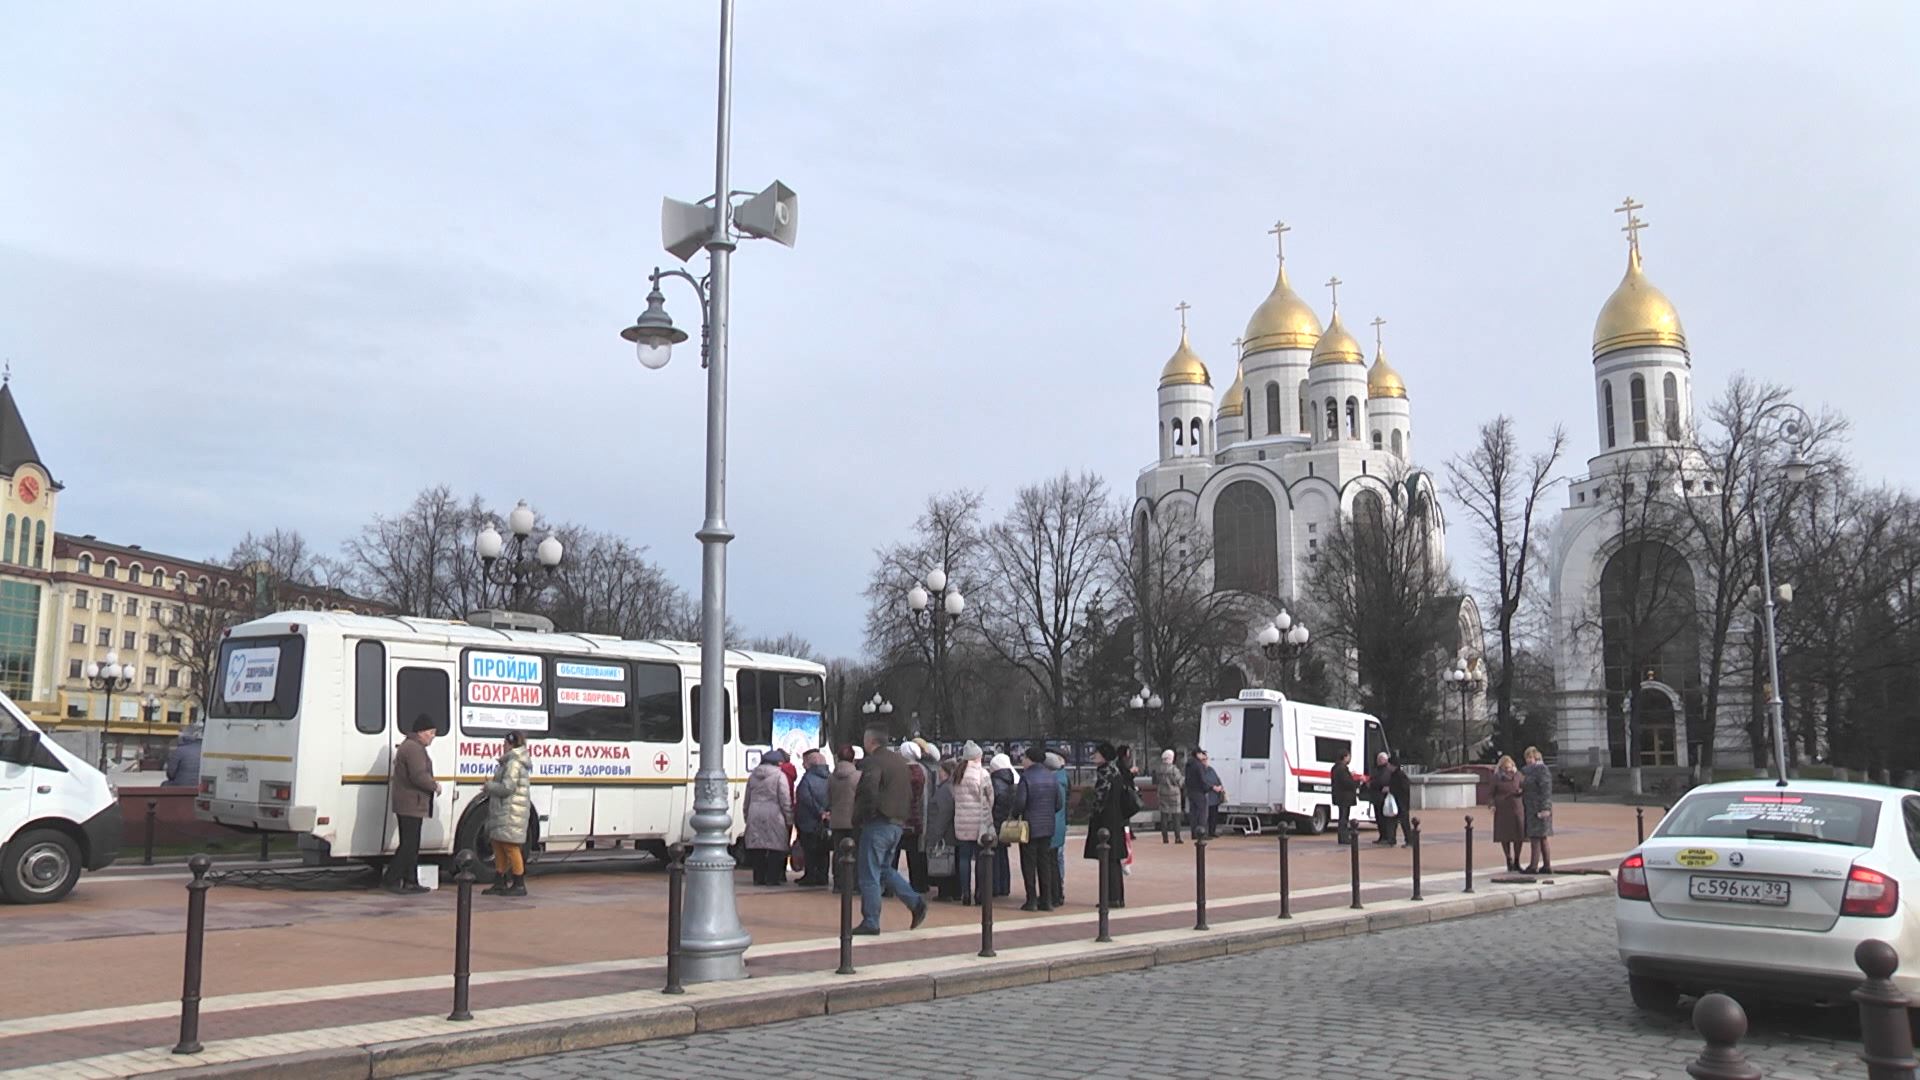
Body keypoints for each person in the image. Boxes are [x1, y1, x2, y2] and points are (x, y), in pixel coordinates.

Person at [852, 726, 929, 935]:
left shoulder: (875, 762)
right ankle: (915, 902)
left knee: (869, 873)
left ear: (871, 741)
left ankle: (871, 920)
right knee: (885, 869)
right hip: (897, 823)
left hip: (878, 821)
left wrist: (859, 817)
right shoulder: (899, 762)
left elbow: (868, 790)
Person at [386, 714, 439, 895]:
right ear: (421, 732)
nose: (433, 736)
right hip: (411, 803)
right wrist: (434, 786)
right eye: (431, 732)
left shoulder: (411, 746)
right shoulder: (414, 749)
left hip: (409, 803)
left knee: (411, 843)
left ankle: (411, 880)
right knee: (409, 844)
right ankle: (392, 879)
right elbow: (418, 776)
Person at [481, 731, 532, 897]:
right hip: (505, 810)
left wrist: (490, 786)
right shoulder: (509, 762)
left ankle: (519, 883)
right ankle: (500, 880)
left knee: (511, 847)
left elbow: (508, 788)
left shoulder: (514, 763)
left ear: (510, 744)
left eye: (504, 743)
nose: (502, 746)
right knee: (499, 844)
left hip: (511, 811)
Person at [1083, 743, 1135, 906]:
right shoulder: (1116, 771)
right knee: (1114, 860)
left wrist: (1090, 812)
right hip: (1117, 820)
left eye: (1097, 753)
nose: (1094, 756)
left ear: (1104, 756)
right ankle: (1117, 897)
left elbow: (1099, 799)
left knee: (1107, 859)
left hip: (1106, 822)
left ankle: (1110, 898)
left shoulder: (1104, 773)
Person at [1017, 746, 1060, 911]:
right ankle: (1046, 900)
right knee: (1045, 863)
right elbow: (1059, 803)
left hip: (1029, 826)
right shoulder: (1052, 777)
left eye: (1024, 758)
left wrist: (1015, 815)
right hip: (1047, 825)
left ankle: (1031, 900)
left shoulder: (1026, 777)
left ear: (1030, 759)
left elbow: (1020, 802)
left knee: (1028, 864)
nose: (1022, 761)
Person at [744, 749, 793, 885]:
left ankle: (758, 878)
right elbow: (784, 799)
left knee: (758, 847)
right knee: (775, 847)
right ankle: (772, 878)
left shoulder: (753, 776)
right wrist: (789, 818)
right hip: (774, 813)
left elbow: (747, 798)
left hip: (755, 812)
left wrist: (746, 815)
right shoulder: (779, 776)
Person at [952, 742, 993, 905]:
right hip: (979, 823)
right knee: (981, 859)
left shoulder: (957, 774)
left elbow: (954, 797)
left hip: (961, 822)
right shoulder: (982, 774)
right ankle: (979, 893)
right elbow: (990, 797)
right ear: (977, 757)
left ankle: (965, 893)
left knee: (964, 858)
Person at [899, 742, 934, 894]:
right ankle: (919, 884)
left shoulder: (900, 770)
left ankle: (889, 887)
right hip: (918, 818)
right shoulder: (923, 770)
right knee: (916, 853)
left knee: (893, 853)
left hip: (900, 818)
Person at [795, 749, 833, 886]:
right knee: (824, 850)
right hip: (825, 820)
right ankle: (822, 876)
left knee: (809, 850)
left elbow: (805, 798)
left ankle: (810, 875)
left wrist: (818, 811)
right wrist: (826, 812)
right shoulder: (830, 777)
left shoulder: (807, 779)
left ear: (810, 763)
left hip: (808, 820)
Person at [988, 752, 1023, 898]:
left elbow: (993, 802)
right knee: (1003, 856)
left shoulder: (996, 781)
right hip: (1006, 822)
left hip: (995, 822)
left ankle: (995, 887)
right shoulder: (1013, 779)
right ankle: (1004, 886)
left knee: (994, 857)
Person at [927, 757, 960, 900]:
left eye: (940, 771)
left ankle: (945, 893)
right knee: (953, 863)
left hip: (946, 833)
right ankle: (954, 891)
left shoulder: (945, 790)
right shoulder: (954, 787)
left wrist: (936, 835)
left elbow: (942, 813)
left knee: (945, 863)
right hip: (953, 832)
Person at [828, 745, 860, 893]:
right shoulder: (858, 776)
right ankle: (852, 883)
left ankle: (838, 883)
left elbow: (828, 797)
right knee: (854, 852)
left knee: (838, 852)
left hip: (836, 820)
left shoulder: (831, 777)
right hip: (854, 819)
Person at [1490, 754, 1526, 873]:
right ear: (1501, 767)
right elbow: (1491, 793)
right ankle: (1508, 859)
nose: (1508, 770)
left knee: (1519, 836)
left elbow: (1525, 787)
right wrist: (1492, 805)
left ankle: (1517, 860)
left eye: (1510, 768)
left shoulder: (1518, 775)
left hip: (1517, 808)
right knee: (1505, 836)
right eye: (1506, 768)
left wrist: (1521, 791)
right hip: (1502, 809)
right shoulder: (1496, 777)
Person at [1520, 746, 1554, 874]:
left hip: (1539, 808)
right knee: (1541, 837)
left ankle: (1533, 866)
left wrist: (1545, 808)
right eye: (1527, 757)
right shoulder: (1528, 772)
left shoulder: (1541, 770)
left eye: (1530, 757)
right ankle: (1546, 865)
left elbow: (1546, 790)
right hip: (1531, 807)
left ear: (1536, 757)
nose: (1528, 760)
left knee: (1536, 837)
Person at [1045, 750, 1069, 907]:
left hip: (1052, 825)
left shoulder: (1055, 782)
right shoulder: (1062, 779)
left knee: (1052, 860)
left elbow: (1056, 805)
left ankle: (1055, 893)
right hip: (1059, 824)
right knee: (1055, 859)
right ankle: (1057, 891)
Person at [1153, 749, 1184, 844]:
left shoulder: (1158, 769)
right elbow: (1180, 782)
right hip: (1174, 795)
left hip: (1162, 794)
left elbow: (1154, 781)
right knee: (1176, 817)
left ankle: (1165, 838)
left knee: (1164, 816)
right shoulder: (1174, 770)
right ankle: (1177, 837)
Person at [1330, 750, 1359, 844]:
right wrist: (1357, 781)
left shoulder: (1335, 768)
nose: (1349, 759)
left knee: (1342, 817)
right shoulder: (1342, 768)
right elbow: (1347, 783)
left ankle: (1343, 836)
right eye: (1348, 757)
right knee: (1344, 818)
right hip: (1344, 797)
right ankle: (1344, 838)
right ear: (1345, 757)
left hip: (1340, 796)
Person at [1385, 755, 1412, 849]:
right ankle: (1391, 839)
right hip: (1396, 802)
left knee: (1404, 822)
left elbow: (1404, 788)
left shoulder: (1400, 775)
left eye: (1389, 764)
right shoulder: (1394, 774)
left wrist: (1391, 789)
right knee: (1392, 821)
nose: (1387, 766)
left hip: (1402, 803)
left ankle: (1409, 840)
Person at [1367, 751, 1393, 845]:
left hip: (1382, 798)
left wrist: (1371, 783)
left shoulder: (1386, 769)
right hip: (1377, 797)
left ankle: (1386, 837)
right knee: (1379, 819)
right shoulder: (1378, 769)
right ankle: (1382, 836)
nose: (1378, 761)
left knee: (1383, 819)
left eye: (1380, 759)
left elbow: (1381, 781)